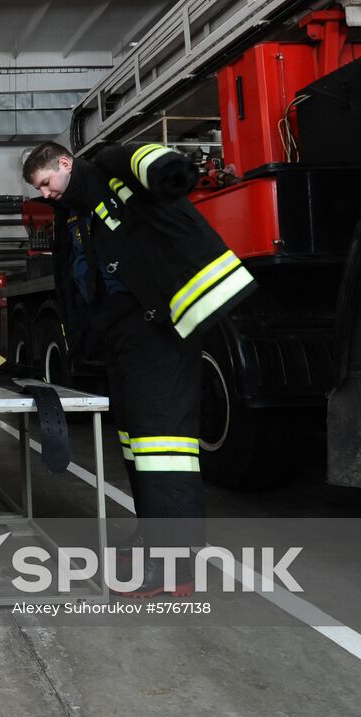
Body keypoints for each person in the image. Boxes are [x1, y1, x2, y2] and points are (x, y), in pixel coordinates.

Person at [22, 140, 256, 597]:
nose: (45, 194)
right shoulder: (73, 212)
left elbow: (145, 160)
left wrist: (171, 171)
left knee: (162, 442)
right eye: (39, 189)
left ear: (65, 164)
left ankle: (175, 567)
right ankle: (153, 535)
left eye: (47, 183)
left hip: (160, 327)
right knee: (134, 439)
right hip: (123, 334)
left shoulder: (107, 169)